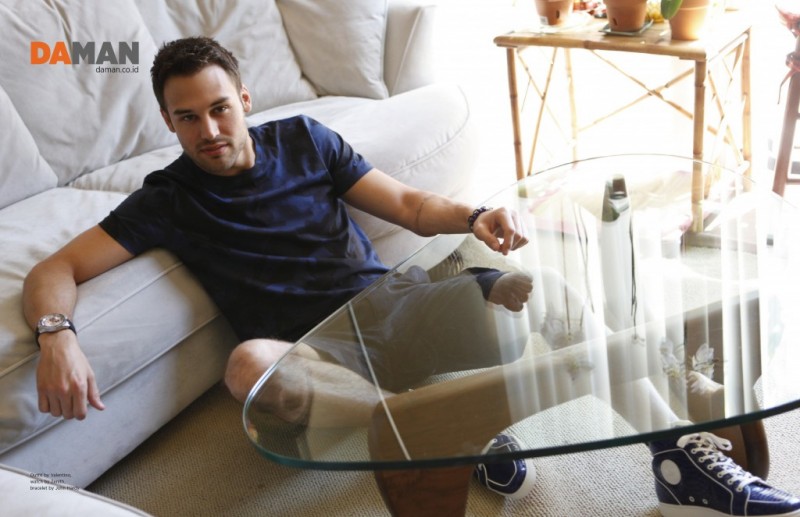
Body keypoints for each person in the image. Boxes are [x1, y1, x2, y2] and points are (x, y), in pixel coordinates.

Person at [21, 37, 800, 516]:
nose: (209, 130)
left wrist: (475, 214)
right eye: (188, 118)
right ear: (169, 121)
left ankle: (676, 455)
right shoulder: (167, 198)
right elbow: (56, 268)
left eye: (219, 109)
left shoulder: (305, 139)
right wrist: (57, 335)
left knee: (549, 294)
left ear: (244, 99)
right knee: (248, 365)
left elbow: (410, 205)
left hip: (399, 306)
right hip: (319, 356)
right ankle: (444, 427)